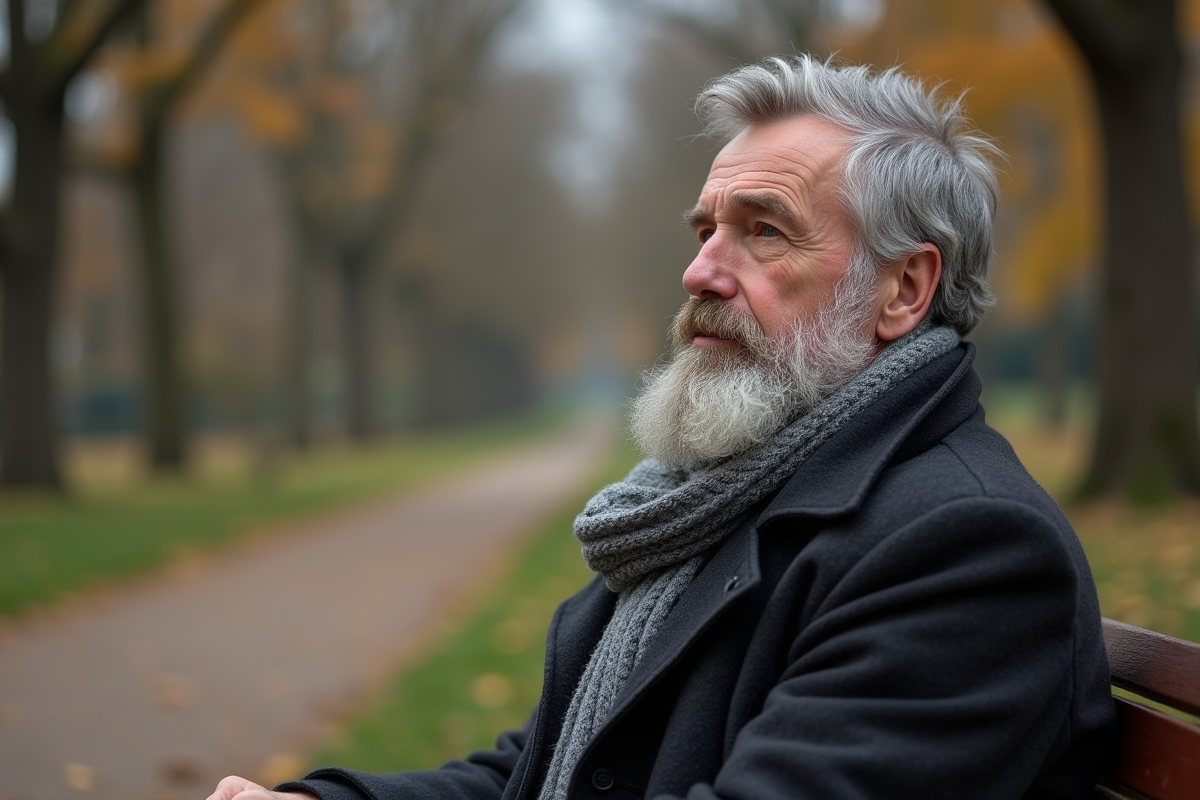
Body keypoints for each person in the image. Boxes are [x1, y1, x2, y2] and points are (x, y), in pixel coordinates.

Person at [210, 55, 1114, 800]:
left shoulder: (969, 549)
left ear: (904, 290)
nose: (700, 272)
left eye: (764, 232)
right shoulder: (719, 499)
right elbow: (538, 772)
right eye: (706, 229)